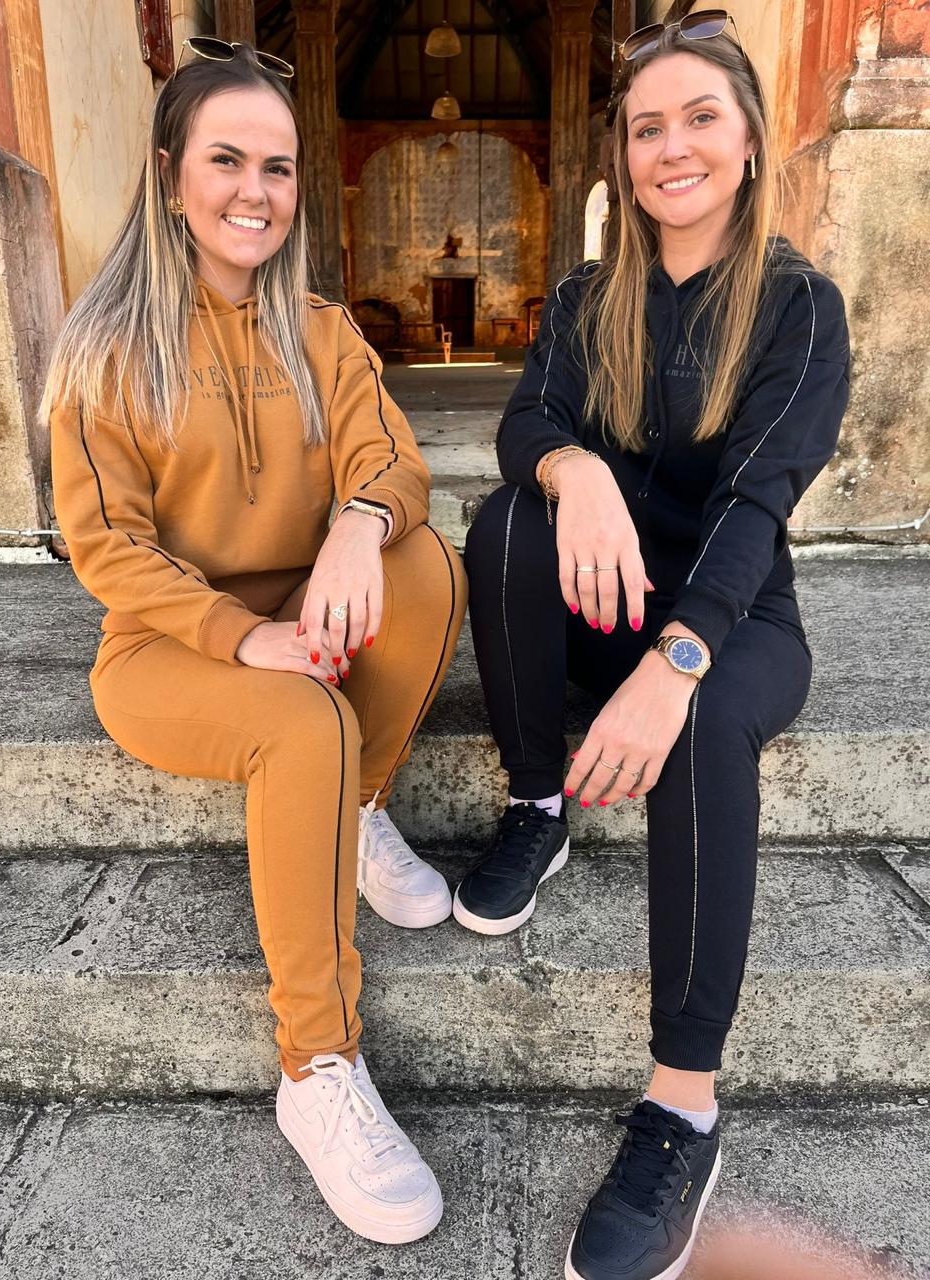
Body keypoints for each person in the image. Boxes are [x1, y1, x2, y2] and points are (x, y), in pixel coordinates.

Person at [44, 39, 466, 1245]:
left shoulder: (322, 331)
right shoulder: (106, 350)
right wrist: (242, 635)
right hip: (167, 645)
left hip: (308, 608)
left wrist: (357, 526)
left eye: (277, 167)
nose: (255, 191)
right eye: (226, 160)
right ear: (170, 173)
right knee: (299, 712)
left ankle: (359, 801)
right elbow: (108, 548)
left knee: (425, 565)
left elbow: (395, 462)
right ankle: (316, 1066)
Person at [458, 9, 851, 1280]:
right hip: (604, 596)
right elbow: (526, 421)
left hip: (737, 620)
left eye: (699, 119)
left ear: (748, 141)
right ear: (622, 157)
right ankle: (537, 801)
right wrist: (574, 473)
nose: (671, 147)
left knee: (705, 721)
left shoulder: (798, 306)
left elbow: (755, 504)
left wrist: (673, 667)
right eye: (646, 128)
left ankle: (683, 1106)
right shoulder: (591, 297)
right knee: (504, 521)